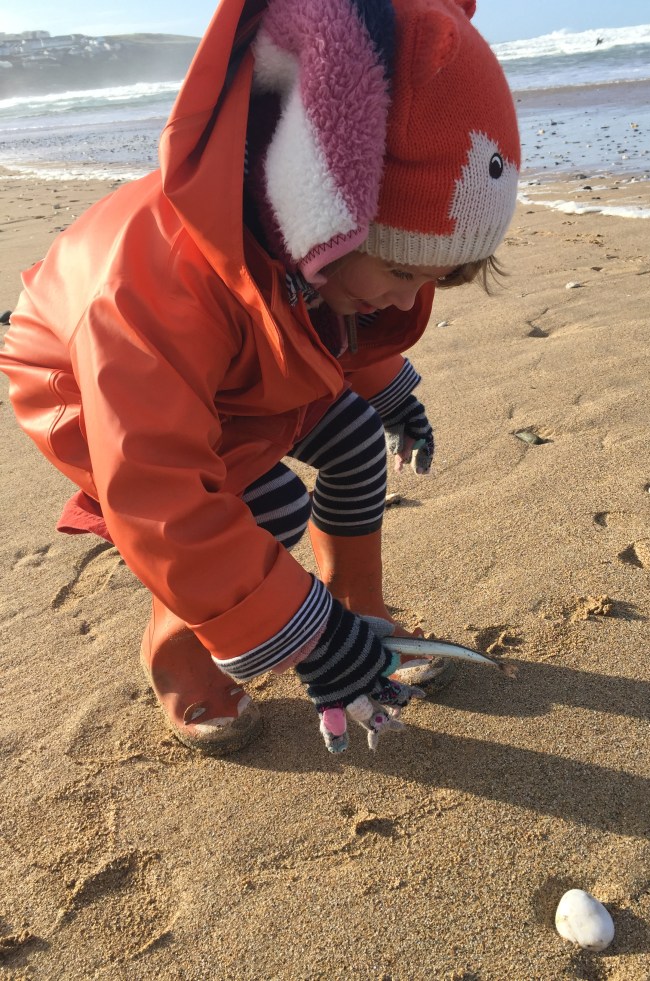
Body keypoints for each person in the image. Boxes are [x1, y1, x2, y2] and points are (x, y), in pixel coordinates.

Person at [0, 0, 520, 755]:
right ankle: (178, 653)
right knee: (262, 503)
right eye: (403, 269)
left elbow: (326, 324)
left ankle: (356, 605)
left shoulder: (313, 252)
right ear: (319, 205)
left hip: (237, 365)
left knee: (352, 437)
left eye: (438, 278)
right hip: (86, 387)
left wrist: (390, 392)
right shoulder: (146, 290)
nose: (410, 299)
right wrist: (302, 639)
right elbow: (160, 488)